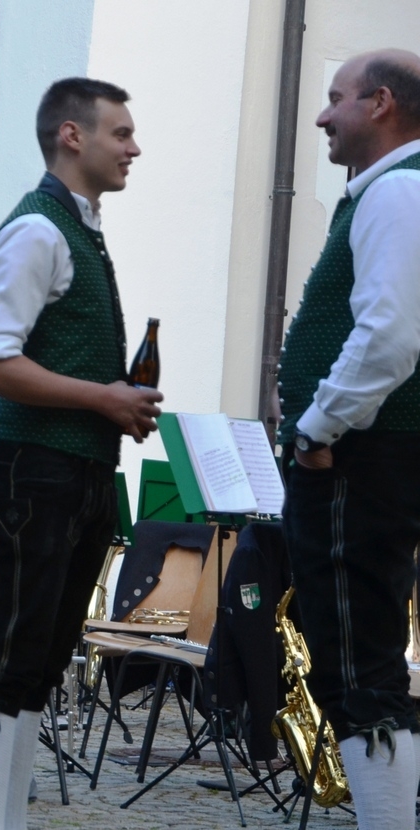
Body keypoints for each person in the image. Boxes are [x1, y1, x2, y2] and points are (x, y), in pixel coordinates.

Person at [0, 77, 162, 830]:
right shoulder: (37, 229)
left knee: (40, 669)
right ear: (72, 136)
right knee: (10, 663)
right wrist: (103, 399)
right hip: (35, 469)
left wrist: (110, 403)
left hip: (77, 471)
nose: (134, 147)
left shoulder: (78, 228)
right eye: (121, 132)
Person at [277, 49, 420, 830]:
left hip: (359, 457)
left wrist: (316, 426)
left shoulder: (396, 190)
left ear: (382, 104)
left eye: (337, 98)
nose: (323, 115)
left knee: (360, 671)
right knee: (365, 663)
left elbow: (390, 337)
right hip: (376, 454)